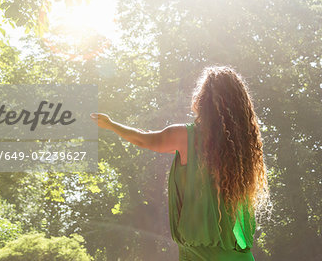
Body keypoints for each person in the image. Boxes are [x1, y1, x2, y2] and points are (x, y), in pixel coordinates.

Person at [90, 65, 270, 261]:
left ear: (202, 100)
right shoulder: (240, 150)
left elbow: (144, 139)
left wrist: (110, 124)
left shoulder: (186, 136)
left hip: (201, 256)